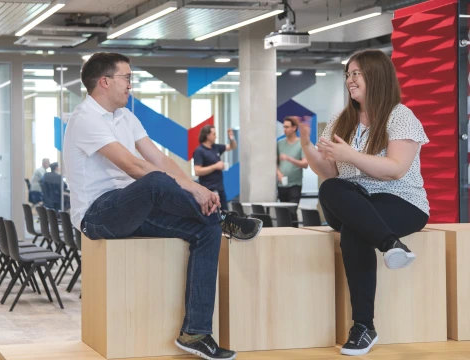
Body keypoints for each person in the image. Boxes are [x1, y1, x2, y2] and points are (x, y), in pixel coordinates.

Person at [63, 52, 262, 360]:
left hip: (133, 205)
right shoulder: (84, 119)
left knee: (206, 228)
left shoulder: (126, 117)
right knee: (154, 182)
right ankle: (223, 219)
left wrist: (196, 186)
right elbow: (133, 166)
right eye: (126, 77)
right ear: (105, 81)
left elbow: (160, 159)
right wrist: (192, 191)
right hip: (98, 215)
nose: (131, 84)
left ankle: (195, 332)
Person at [297, 49, 429, 356]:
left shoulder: (400, 116)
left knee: (355, 230)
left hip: (400, 201)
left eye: (357, 73)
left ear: (376, 76)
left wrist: (350, 155)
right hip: (350, 202)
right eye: (348, 74)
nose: (349, 80)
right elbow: (330, 170)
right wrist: (306, 144)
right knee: (331, 187)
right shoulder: (341, 120)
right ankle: (391, 245)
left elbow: (396, 168)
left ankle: (363, 327)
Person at [193, 125, 237, 210]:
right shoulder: (199, 151)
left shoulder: (216, 147)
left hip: (220, 189)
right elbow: (197, 171)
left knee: (225, 215)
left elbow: (232, 146)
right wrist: (215, 166)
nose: (216, 136)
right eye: (214, 134)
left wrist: (231, 138)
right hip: (208, 190)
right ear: (207, 135)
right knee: (212, 216)